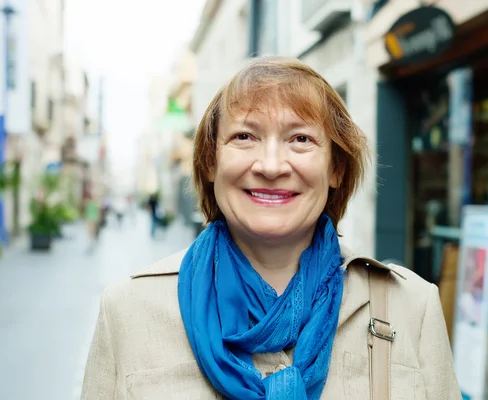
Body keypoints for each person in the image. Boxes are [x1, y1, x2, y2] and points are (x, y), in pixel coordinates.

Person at [81, 57, 460, 399]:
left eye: (301, 139)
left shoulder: (411, 307)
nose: (272, 165)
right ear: (211, 162)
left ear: (335, 169)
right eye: (244, 136)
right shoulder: (128, 312)